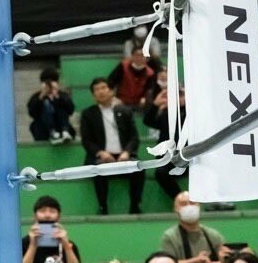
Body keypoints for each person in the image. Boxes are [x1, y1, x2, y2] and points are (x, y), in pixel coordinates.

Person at [80, 78, 142, 214]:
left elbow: (134, 137)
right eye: (96, 89)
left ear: (111, 91)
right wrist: (101, 152)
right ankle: (102, 206)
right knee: (98, 168)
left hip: (123, 156)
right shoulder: (88, 114)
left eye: (103, 87)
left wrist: (126, 152)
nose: (101, 92)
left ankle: (135, 205)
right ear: (93, 95)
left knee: (139, 169)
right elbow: (86, 140)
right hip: (102, 156)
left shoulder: (124, 111)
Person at [160, 193, 224, 263]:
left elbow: (226, 262)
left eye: (192, 203)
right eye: (183, 204)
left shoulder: (213, 235)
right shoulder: (170, 237)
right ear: (176, 209)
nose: (189, 206)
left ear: (199, 206)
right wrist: (196, 261)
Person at [21, 196, 82, 263]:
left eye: (52, 211)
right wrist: (33, 245)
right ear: (35, 216)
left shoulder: (68, 245)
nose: (47, 215)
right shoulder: (23, 244)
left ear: (59, 216)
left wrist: (67, 247)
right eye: (42, 211)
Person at [143, 73, 187, 203]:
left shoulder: (194, 112)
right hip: (170, 158)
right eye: (176, 94)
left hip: (191, 156)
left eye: (181, 94)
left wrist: (187, 102)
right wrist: (156, 104)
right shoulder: (168, 113)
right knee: (161, 172)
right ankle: (180, 199)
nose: (179, 97)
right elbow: (149, 121)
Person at [106, 39, 160, 115]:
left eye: (142, 55)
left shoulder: (150, 73)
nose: (139, 58)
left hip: (139, 103)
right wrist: (113, 98)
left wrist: (145, 99)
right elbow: (110, 82)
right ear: (132, 56)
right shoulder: (123, 67)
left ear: (147, 58)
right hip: (121, 102)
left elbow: (150, 89)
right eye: (137, 55)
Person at [27, 68, 75, 143]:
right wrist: (41, 96)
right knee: (46, 104)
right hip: (43, 130)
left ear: (57, 82)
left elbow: (70, 110)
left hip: (61, 127)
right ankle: (52, 133)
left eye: (52, 81)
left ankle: (65, 132)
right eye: (46, 82)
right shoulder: (37, 96)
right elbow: (32, 113)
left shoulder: (62, 95)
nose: (49, 84)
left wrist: (57, 96)